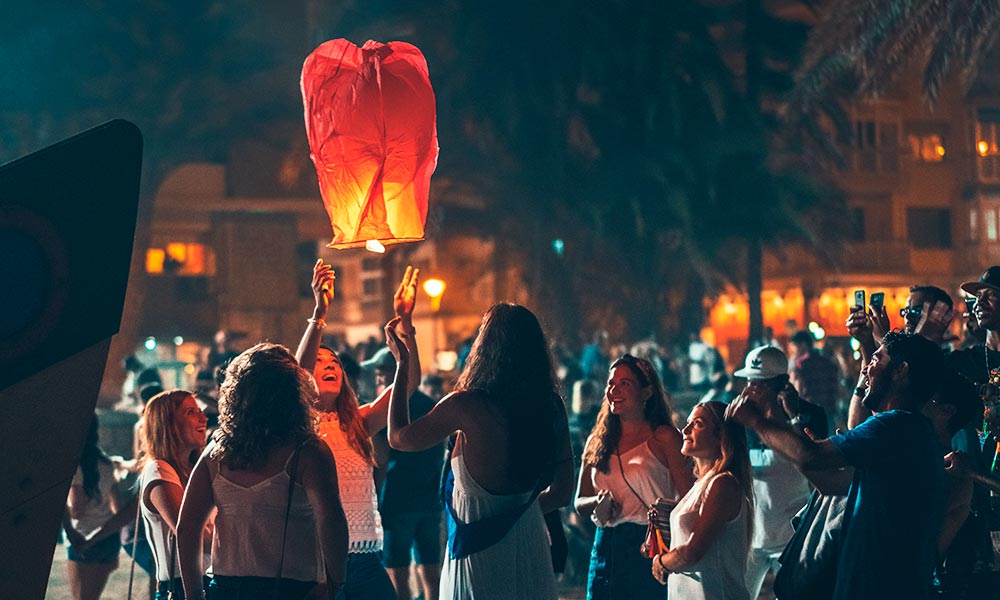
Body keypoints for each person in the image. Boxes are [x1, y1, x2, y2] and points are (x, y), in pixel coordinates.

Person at [727, 331, 948, 600]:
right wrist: (804, 450)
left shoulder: (894, 426)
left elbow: (812, 457)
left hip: (881, 585)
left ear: (901, 371)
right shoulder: (909, 430)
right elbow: (830, 482)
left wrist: (757, 422)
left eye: (876, 360)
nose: (866, 368)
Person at [384, 303, 575, 600]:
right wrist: (520, 512)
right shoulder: (551, 406)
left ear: (485, 348)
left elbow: (398, 438)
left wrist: (401, 365)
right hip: (530, 543)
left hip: (478, 553)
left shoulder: (465, 406)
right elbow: (563, 492)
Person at [176, 343, 348, 600]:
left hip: (225, 589)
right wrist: (335, 584)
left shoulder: (216, 452)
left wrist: (193, 595)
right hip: (293, 589)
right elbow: (331, 521)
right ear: (293, 392)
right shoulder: (308, 451)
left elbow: (187, 527)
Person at [295, 259, 422, 600]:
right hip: (317, 558)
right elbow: (298, 376)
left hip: (365, 557)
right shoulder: (298, 426)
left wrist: (406, 325)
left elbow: (408, 385)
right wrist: (320, 313)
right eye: (320, 363)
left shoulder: (359, 421)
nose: (329, 366)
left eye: (334, 363)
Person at [575, 354, 694, 599]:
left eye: (625, 383)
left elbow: (690, 500)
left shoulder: (665, 437)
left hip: (648, 545)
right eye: (611, 384)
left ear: (647, 392)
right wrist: (597, 504)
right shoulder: (597, 441)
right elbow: (579, 502)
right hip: (605, 544)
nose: (614, 390)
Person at [730, 346, 827, 599]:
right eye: (749, 383)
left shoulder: (809, 416)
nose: (751, 391)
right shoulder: (741, 419)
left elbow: (813, 462)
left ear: (782, 384)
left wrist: (791, 417)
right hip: (752, 535)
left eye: (760, 384)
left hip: (791, 536)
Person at [650, 400, 754, 600]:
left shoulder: (723, 483)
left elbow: (692, 552)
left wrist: (661, 562)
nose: (685, 429)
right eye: (688, 423)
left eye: (697, 424)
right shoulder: (701, 485)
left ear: (721, 437)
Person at [365, 347, 446, 600]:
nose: (377, 378)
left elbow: (381, 458)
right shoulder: (431, 405)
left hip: (397, 501)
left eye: (381, 372)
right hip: (430, 499)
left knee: (397, 572)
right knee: (431, 569)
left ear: (394, 372)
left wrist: (374, 498)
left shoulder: (387, 411)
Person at [139, 390, 209, 599]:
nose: (203, 418)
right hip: (179, 589)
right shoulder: (159, 471)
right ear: (167, 425)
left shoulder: (196, 469)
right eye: (190, 412)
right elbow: (191, 532)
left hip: (210, 581)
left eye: (200, 411)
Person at [63, 417, 133, 600]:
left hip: (83, 537)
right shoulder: (107, 464)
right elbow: (117, 506)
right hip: (108, 539)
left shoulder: (76, 466)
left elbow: (77, 509)